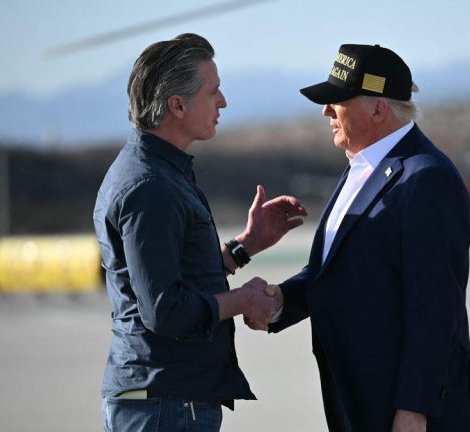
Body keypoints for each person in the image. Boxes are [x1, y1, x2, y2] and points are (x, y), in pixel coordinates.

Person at [247, 44, 470, 431]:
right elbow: (340, 270)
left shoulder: (427, 177)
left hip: (404, 411)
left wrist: (414, 408)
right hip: (359, 400)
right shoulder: (363, 167)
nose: (326, 111)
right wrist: (282, 303)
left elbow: (435, 305)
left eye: (337, 101)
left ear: (378, 109)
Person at [93, 33, 308, 432]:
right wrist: (243, 300)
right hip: (164, 405)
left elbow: (176, 276)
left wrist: (244, 247)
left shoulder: (159, 173)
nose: (223, 102)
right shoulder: (149, 187)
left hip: (166, 402)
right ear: (177, 105)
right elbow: (164, 310)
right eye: (214, 92)